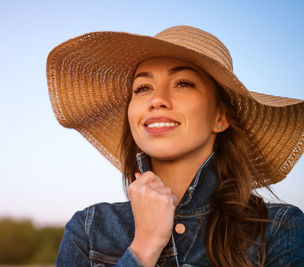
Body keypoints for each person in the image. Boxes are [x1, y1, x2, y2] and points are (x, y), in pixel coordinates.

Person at [46, 25, 304, 266]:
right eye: (142, 87)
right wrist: (144, 247)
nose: (157, 99)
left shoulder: (279, 228)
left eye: (183, 83)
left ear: (220, 117)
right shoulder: (89, 230)